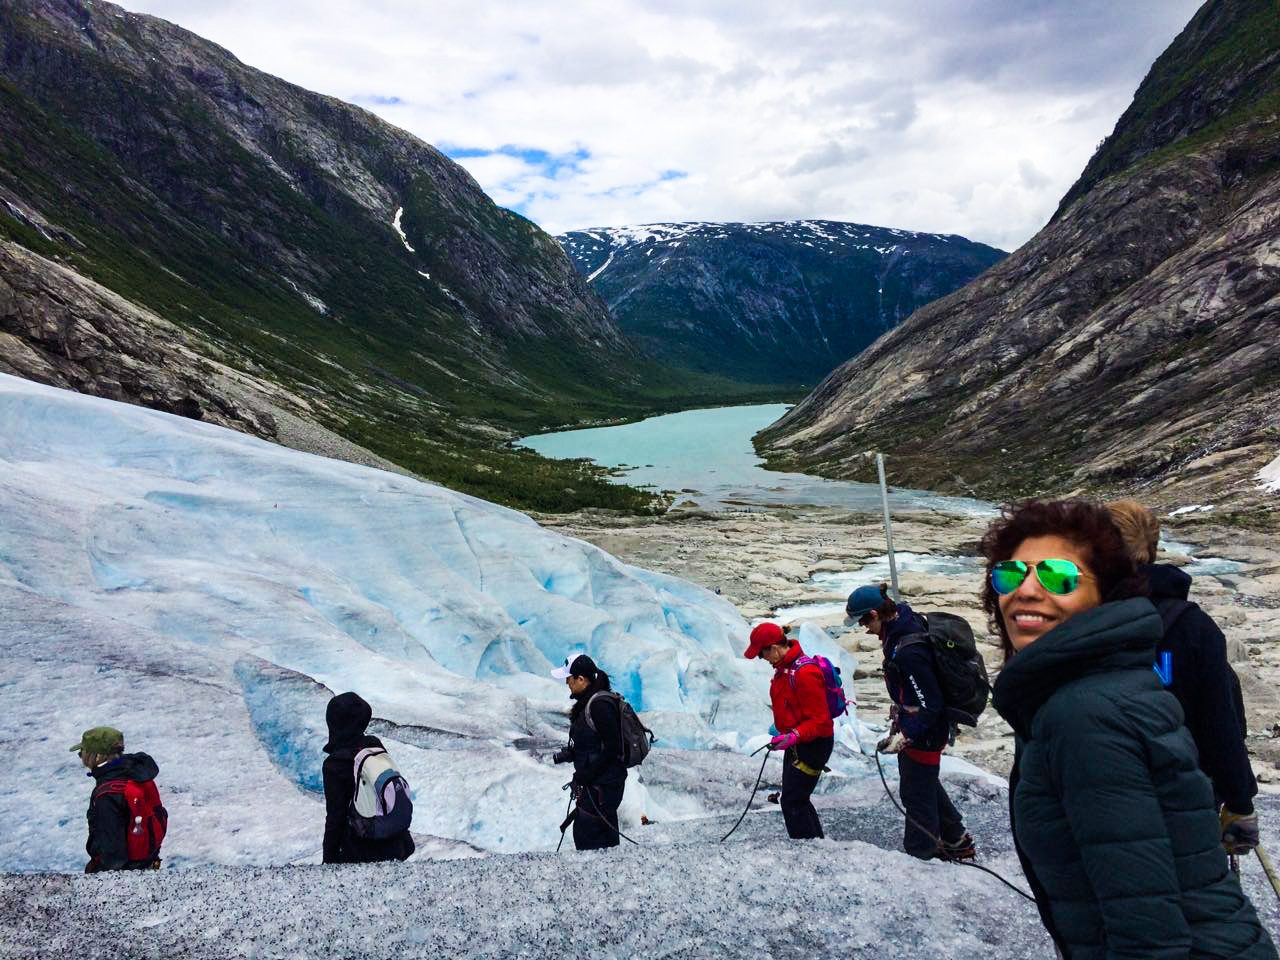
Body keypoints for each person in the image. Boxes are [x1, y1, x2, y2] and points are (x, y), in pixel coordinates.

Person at [985, 498, 1275, 959]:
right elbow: (1223, 720)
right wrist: (1236, 801)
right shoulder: (1114, 662)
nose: (1026, 590)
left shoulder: (1082, 713)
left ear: (1108, 586)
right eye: (1010, 574)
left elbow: (1147, 931)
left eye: (1059, 575)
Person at [1107, 499, 1259, 853]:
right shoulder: (1194, 625)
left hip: (1101, 790)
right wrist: (1240, 802)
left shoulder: (1080, 617)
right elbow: (1221, 720)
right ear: (1153, 551)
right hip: (1184, 793)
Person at [846, 585, 974, 861]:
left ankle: (921, 853)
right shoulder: (904, 621)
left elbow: (931, 704)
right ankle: (956, 838)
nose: (863, 628)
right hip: (919, 723)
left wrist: (905, 735)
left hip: (926, 730)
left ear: (874, 614)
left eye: (864, 621)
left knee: (915, 793)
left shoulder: (908, 651)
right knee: (924, 782)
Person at [742, 621, 833, 839]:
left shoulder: (804, 673)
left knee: (793, 800)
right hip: (798, 744)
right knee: (796, 799)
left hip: (813, 745)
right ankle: (815, 845)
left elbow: (821, 721)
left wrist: (795, 735)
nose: (762, 660)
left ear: (773, 648)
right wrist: (785, 733)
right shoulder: (785, 669)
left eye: (762, 655)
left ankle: (808, 850)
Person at [322, 692, 415, 864]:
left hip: (363, 849)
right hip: (397, 842)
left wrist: (328, 861)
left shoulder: (334, 764)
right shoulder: (374, 744)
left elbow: (336, 817)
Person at [551, 654, 627, 850]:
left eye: (568, 679)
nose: (567, 683)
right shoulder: (591, 702)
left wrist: (586, 774)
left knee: (588, 833)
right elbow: (596, 742)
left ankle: (598, 877)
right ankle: (612, 874)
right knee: (602, 833)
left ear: (581, 679)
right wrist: (574, 754)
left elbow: (613, 747)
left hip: (603, 785)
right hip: (602, 784)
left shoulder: (599, 705)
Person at [72, 725, 167, 872]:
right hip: (150, 862)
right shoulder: (137, 772)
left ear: (97, 756)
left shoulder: (107, 796)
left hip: (127, 874)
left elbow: (113, 855)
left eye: (82, 753)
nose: (81, 757)